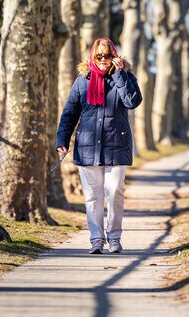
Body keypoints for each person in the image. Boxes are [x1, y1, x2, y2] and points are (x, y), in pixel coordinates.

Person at [56, 37, 142, 254]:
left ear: (115, 55)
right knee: (93, 196)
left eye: (108, 55)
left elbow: (132, 101)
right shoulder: (82, 80)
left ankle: (114, 238)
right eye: (99, 56)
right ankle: (96, 239)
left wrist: (120, 75)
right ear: (93, 57)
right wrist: (62, 140)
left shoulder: (125, 76)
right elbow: (70, 113)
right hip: (87, 146)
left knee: (114, 191)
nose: (103, 60)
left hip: (117, 144)